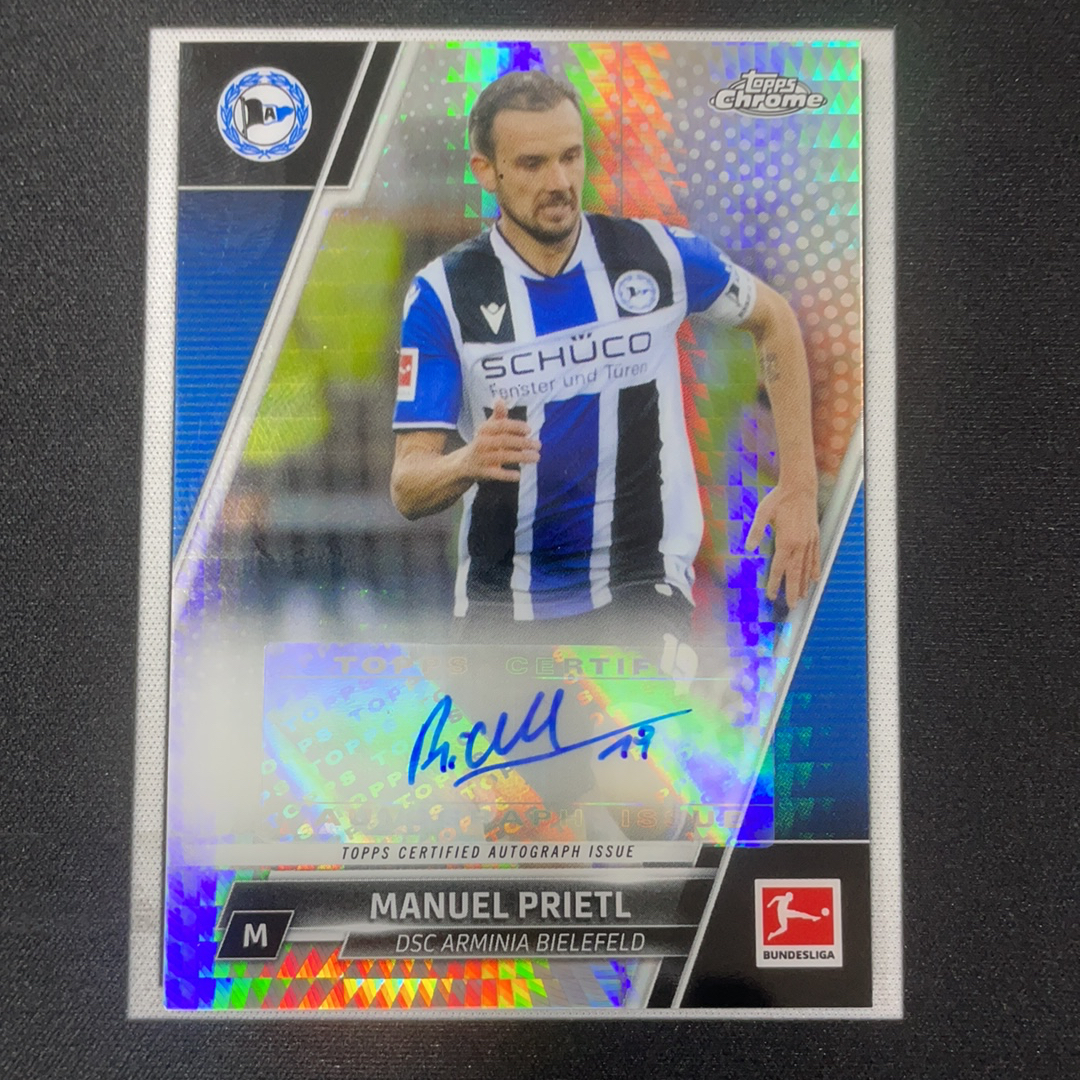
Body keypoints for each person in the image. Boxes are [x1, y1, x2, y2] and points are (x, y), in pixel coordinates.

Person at [390, 71, 819, 645]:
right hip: (500, 606)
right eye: (533, 163)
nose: (559, 182)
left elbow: (774, 319)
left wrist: (799, 487)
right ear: (486, 172)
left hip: (641, 592)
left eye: (571, 157)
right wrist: (467, 461)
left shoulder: (656, 255)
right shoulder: (443, 294)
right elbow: (408, 485)